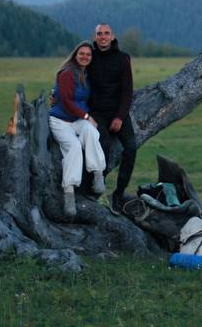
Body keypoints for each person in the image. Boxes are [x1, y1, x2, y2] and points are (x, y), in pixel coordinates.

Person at [49, 41, 106, 218]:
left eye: (88, 55)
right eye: (81, 53)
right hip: (60, 120)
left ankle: (98, 174)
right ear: (75, 55)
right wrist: (87, 117)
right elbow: (66, 101)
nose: (85, 57)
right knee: (73, 147)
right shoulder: (67, 73)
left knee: (91, 132)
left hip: (76, 119)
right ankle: (69, 193)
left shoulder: (85, 74)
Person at [89, 22, 138, 216]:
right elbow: (71, 75)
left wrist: (119, 117)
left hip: (118, 112)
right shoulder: (89, 57)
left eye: (106, 33)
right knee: (104, 146)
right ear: (95, 37)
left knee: (131, 148)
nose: (103, 37)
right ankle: (94, 189)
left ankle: (118, 195)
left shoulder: (122, 58)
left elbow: (127, 91)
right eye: (99, 34)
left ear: (112, 36)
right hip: (96, 114)